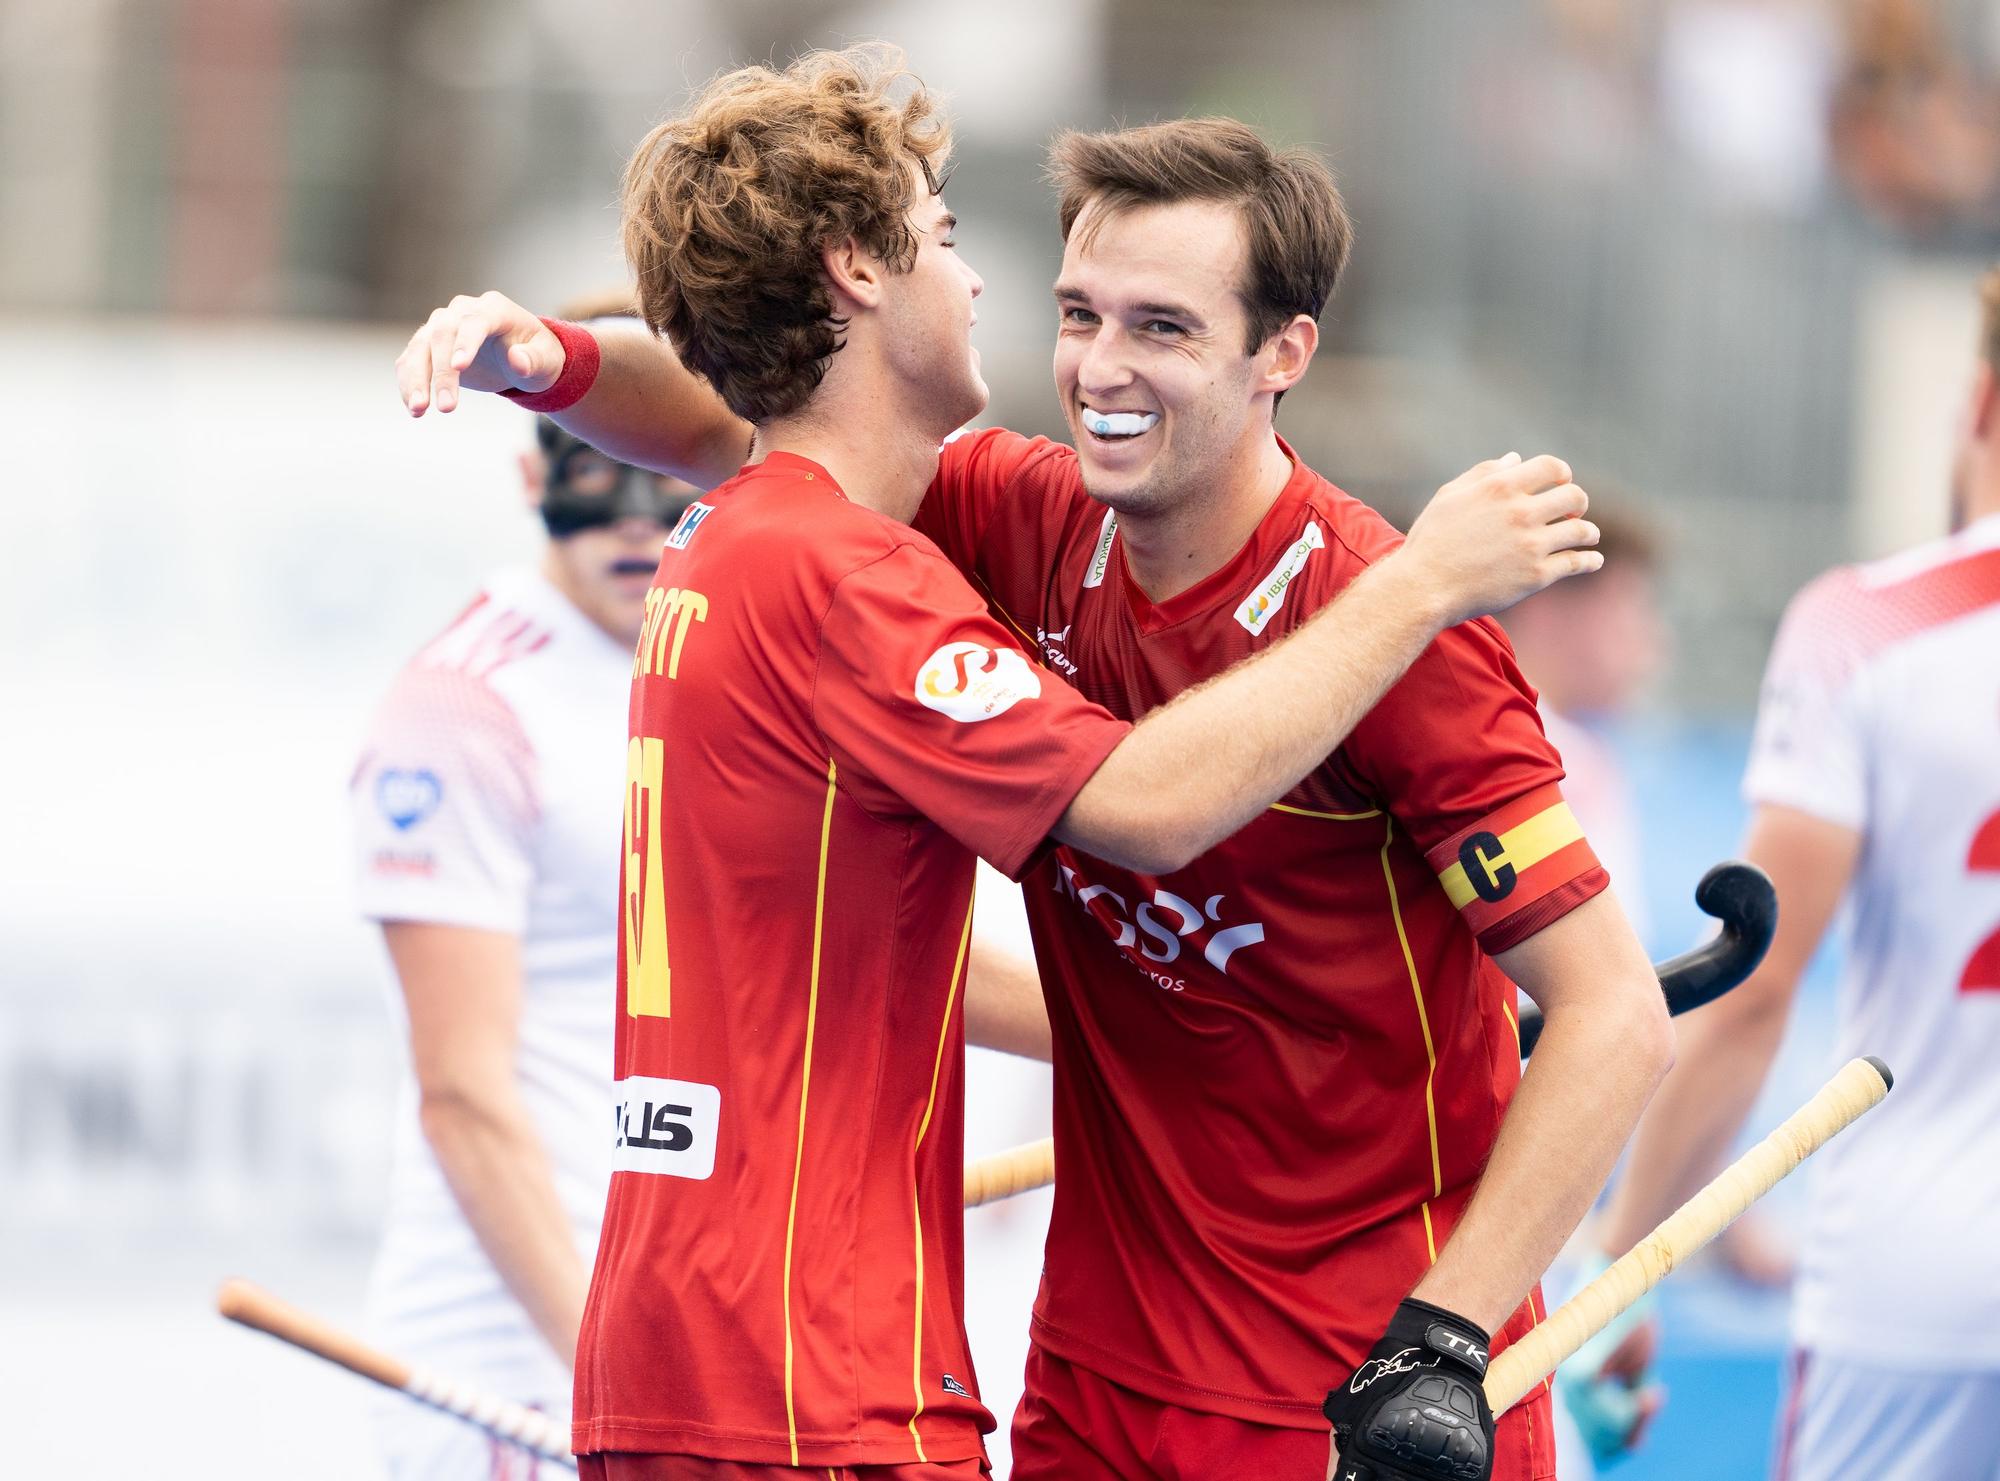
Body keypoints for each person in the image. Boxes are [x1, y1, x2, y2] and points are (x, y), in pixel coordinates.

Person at [398, 52, 1642, 1481]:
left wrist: (1447, 1337)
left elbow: (1615, 1019)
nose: (1098, 368)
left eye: (1162, 327)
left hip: (1350, 1398)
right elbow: (742, 419)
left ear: (1282, 352)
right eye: (1078, 313)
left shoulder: (1396, 635)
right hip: (1083, 1387)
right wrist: (544, 356)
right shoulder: (999, 527)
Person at [1596, 268, 2000, 1480]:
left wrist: (1622, 1271)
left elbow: (1752, 983)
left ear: (1975, 403)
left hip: (1916, 1285)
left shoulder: (1868, 632)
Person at [349, 396, 699, 1478]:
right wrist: (610, 1384)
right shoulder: (462, 704)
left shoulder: (722, 665)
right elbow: (462, 1094)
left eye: (663, 477)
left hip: (680, 1334)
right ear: (530, 478)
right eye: (597, 483)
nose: (635, 527)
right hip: (522, 1368)